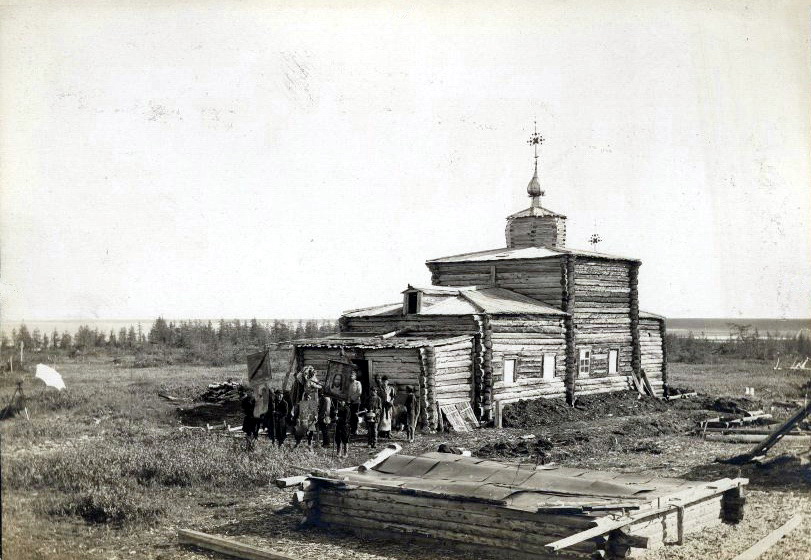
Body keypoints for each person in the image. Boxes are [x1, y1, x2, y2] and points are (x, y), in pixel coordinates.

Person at [347, 369, 363, 436]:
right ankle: (350, 429)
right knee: (349, 416)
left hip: (356, 402)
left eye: (352, 375)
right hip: (348, 402)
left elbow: (359, 392)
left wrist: (352, 399)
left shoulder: (357, 383)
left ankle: (355, 429)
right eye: (350, 375)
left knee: (355, 415)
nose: (351, 376)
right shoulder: (348, 383)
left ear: (355, 376)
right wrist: (347, 400)